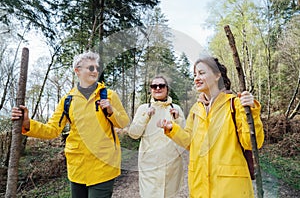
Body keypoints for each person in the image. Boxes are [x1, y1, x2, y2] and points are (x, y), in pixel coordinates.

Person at [11, 51, 130, 198]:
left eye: (97, 68)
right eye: (90, 68)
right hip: (77, 167)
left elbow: (124, 122)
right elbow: (52, 130)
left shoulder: (109, 95)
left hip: (104, 165)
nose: (95, 71)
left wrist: (111, 111)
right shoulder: (67, 100)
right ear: (77, 70)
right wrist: (28, 123)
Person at [157, 57, 264, 198]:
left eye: (201, 73)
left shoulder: (235, 104)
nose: (196, 78)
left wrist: (252, 112)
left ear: (217, 75)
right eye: (195, 75)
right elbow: (189, 142)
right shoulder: (196, 109)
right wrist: (173, 129)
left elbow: (251, 143)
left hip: (230, 189)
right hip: (199, 187)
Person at [127, 76, 185, 198]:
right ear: (150, 89)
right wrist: (145, 116)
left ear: (167, 89)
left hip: (172, 165)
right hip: (149, 165)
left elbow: (185, 137)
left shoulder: (176, 109)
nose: (158, 88)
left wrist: (178, 119)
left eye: (161, 86)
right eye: (154, 86)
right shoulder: (144, 108)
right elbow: (133, 133)